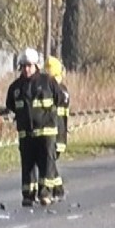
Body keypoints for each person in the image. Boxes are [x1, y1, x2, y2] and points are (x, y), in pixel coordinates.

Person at [5, 48, 63, 207]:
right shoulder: (15, 87)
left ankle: (45, 193)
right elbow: (10, 105)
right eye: (23, 66)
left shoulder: (48, 82)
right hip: (26, 134)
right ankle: (28, 195)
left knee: (46, 164)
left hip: (46, 132)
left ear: (36, 65)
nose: (26, 69)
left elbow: (60, 98)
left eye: (29, 65)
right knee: (27, 165)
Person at [44, 55, 70, 200]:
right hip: (61, 134)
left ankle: (57, 189)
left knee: (49, 163)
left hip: (52, 133)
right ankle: (57, 189)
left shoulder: (52, 90)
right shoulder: (63, 90)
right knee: (50, 162)